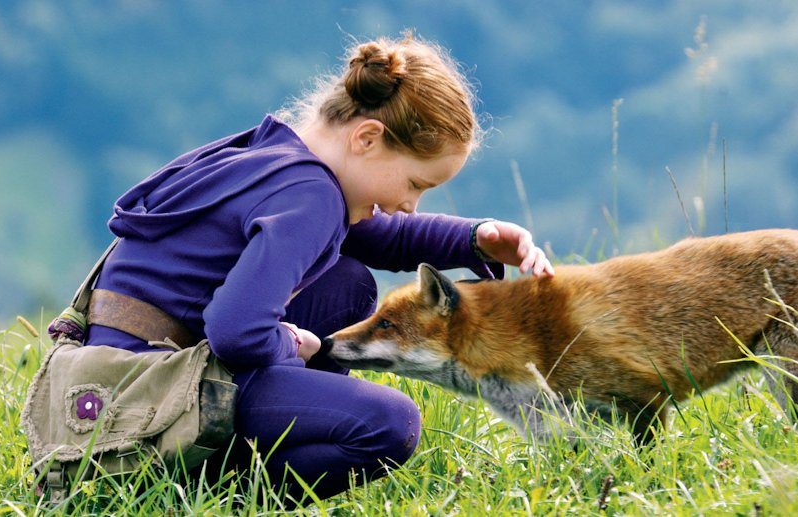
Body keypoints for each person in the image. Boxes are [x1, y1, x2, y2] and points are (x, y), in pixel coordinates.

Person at [84, 34, 554, 502]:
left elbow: (379, 237)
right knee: (390, 425)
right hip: (148, 398)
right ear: (367, 138)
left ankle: (230, 456)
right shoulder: (310, 196)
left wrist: (479, 238)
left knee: (344, 284)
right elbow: (234, 331)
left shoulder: (278, 158)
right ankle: (212, 495)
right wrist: (294, 346)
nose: (410, 205)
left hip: (109, 382)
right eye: (414, 183)